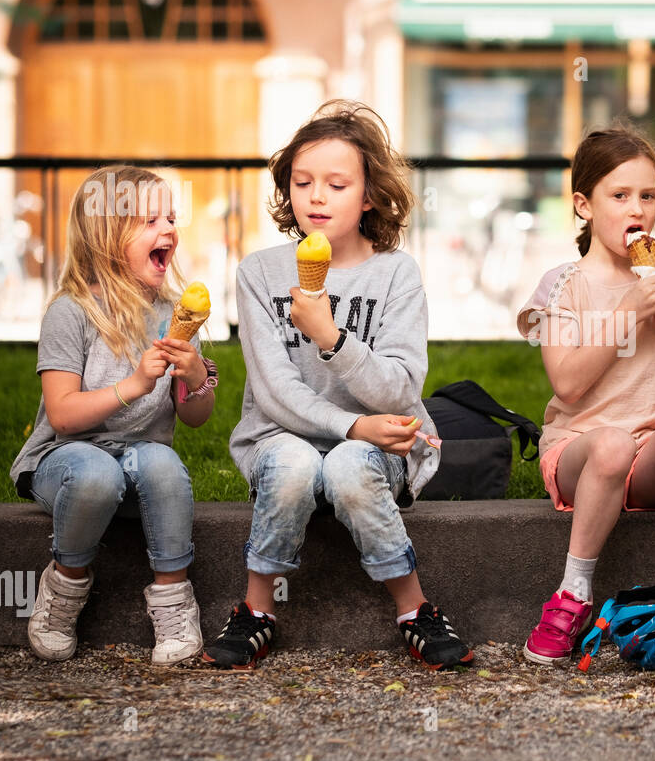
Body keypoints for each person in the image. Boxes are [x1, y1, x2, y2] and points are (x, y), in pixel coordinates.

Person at [202, 100, 473, 670]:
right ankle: (255, 610)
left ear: (369, 195)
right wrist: (351, 423)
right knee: (299, 464)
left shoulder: (397, 273)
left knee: (349, 465)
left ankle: (414, 609)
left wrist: (333, 339)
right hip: (281, 439)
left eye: (336, 184)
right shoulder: (260, 273)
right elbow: (273, 392)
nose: (316, 196)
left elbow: (401, 388)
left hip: (377, 448)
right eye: (303, 182)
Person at [516, 124, 655, 666]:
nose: (637, 209)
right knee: (609, 444)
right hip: (580, 451)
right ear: (584, 205)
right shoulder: (564, 284)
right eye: (620, 195)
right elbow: (568, 383)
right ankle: (572, 595)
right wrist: (628, 310)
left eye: (648, 196)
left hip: (651, 454)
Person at [11, 165, 214, 665]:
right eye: (151, 221)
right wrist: (135, 385)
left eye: (171, 217)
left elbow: (197, 418)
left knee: (165, 465)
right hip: (65, 462)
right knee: (96, 472)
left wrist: (194, 379)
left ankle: (173, 601)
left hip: (140, 462)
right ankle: (65, 588)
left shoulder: (175, 317)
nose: (168, 229)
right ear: (105, 238)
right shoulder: (71, 312)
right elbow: (62, 415)